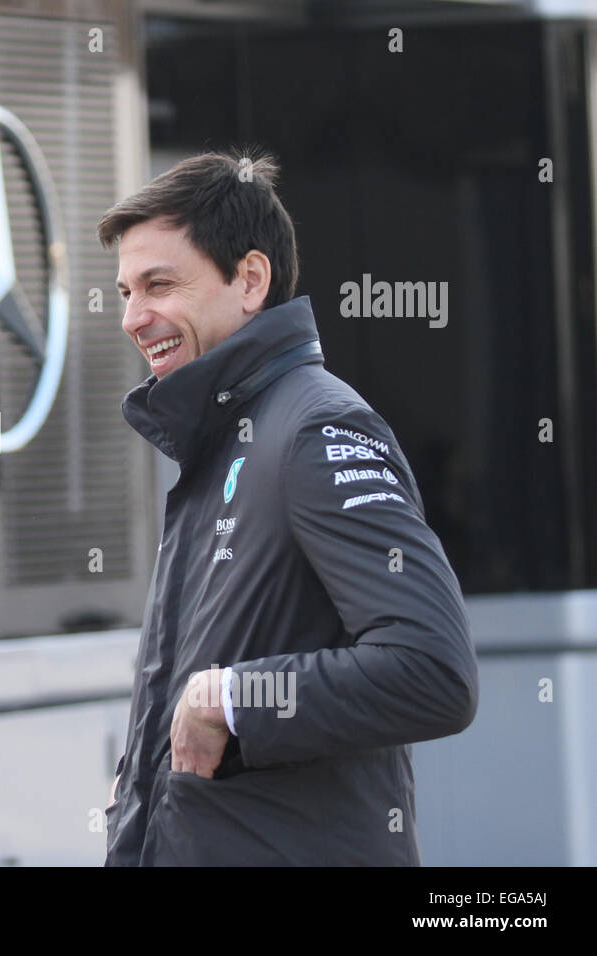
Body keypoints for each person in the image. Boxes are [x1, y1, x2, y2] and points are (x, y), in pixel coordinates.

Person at [100, 152, 478, 865]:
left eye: (158, 284)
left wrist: (235, 697)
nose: (132, 317)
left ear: (249, 279)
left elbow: (434, 672)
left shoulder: (315, 429)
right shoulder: (219, 442)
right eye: (124, 291)